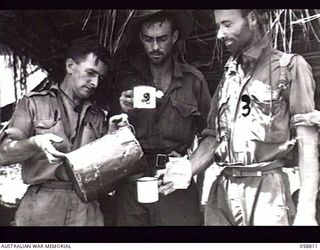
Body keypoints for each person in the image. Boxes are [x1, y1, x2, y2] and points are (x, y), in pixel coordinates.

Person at [160, 9, 319, 225]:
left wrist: (306, 212)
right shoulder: (229, 74)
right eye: (218, 26)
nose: (219, 34)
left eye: (227, 24)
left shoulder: (290, 68)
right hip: (223, 194)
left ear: (252, 18)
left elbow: (308, 143)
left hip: (267, 193)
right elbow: (214, 137)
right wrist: (189, 167)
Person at [0, 38, 127, 226]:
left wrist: (111, 138)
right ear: (70, 66)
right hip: (42, 205)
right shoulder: (33, 103)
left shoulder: (99, 116)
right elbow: (4, 154)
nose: (95, 83)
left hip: (86, 208)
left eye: (100, 77)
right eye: (90, 73)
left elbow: (104, 175)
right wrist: (35, 143)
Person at [115, 10, 211, 226]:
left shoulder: (193, 81)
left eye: (162, 39)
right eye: (149, 40)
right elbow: (107, 135)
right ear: (141, 38)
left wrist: (188, 166)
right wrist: (121, 112)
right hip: (131, 182)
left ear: (175, 37)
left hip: (173, 182)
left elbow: (212, 134)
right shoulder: (126, 80)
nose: (155, 47)